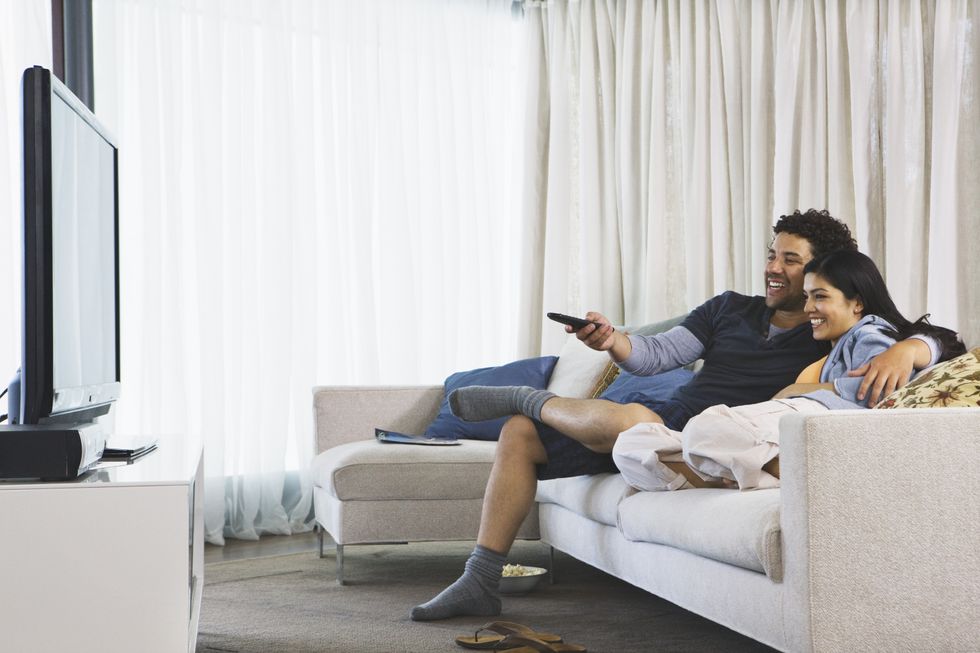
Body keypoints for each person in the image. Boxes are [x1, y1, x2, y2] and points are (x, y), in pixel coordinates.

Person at [409, 209, 943, 621]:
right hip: (667, 414)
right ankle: (479, 578)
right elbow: (656, 355)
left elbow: (929, 336)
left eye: (791, 261)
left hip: (716, 434)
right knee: (522, 432)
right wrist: (612, 340)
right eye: (772, 255)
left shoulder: (827, 319)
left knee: (630, 418)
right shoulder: (728, 308)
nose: (774, 269)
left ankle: (533, 399)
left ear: (823, 277)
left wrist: (912, 346)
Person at [612, 250, 965, 492]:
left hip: (816, 421)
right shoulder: (826, 343)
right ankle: (744, 475)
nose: (809, 307)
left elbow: (873, 398)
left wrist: (796, 392)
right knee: (633, 443)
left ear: (857, 302)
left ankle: (759, 471)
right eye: (808, 296)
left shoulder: (869, 331)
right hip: (787, 424)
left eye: (821, 297)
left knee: (707, 430)